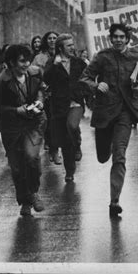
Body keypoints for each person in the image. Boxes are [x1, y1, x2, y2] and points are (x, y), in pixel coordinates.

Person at [79, 23, 138, 216]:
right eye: (115, 37)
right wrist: (96, 85)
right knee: (103, 157)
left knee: (119, 155)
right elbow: (85, 78)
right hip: (104, 112)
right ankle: (105, 151)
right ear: (110, 39)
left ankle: (114, 201)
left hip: (125, 112)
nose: (118, 40)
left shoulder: (137, 57)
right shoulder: (103, 57)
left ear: (127, 38)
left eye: (122, 37)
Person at [0, 44, 46, 216]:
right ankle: (25, 202)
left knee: (32, 157)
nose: (26, 64)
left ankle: (33, 193)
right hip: (11, 127)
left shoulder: (35, 72)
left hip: (34, 122)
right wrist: (15, 110)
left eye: (28, 60)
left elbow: (42, 88)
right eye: (21, 61)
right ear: (11, 62)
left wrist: (40, 101)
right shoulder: (1, 81)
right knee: (17, 167)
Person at [43, 33, 88, 183]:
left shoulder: (78, 62)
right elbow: (46, 79)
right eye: (69, 46)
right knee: (65, 140)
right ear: (60, 48)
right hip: (59, 106)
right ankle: (69, 171)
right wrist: (55, 65)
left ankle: (78, 145)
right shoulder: (52, 62)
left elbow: (87, 77)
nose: (72, 48)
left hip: (76, 102)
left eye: (72, 45)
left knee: (72, 125)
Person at [32, 31, 59, 163]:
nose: (52, 40)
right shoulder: (39, 57)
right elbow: (33, 73)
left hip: (60, 93)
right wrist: (41, 84)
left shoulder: (63, 55)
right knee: (49, 120)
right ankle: (53, 148)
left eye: (55, 38)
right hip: (46, 93)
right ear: (46, 40)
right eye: (50, 38)